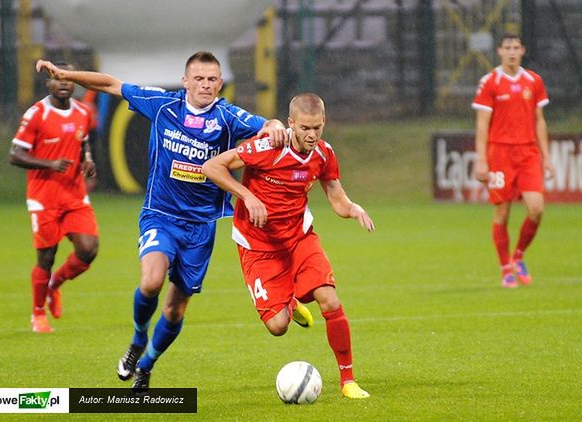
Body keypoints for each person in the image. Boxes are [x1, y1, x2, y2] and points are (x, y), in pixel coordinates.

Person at [36, 51, 288, 391]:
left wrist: (275, 127)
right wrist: (66, 74)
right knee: (151, 281)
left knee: (174, 311)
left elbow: (267, 124)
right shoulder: (163, 105)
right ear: (185, 81)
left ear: (220, 84)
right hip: (161, 215)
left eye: (212, 79)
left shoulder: (228, 117)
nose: (206, 85)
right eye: (199, 78)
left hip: (201, 227)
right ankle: (138, 338)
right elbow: (112, 83)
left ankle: (147, 364)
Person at [202, 93, 374, 399]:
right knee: (278, 326)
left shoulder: (323, 154)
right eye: (305, 128)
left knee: (330, 301)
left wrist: (354, 208)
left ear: (324, 123)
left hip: (299, 238)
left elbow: (336, 197)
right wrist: (248, 196)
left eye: (317, 128)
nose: (311, 135)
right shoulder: (268, 147)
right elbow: (213, 167)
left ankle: (348, 381)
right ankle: (290, 303)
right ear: (291, 123)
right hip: (257, 245)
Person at [10, 62, 99, 333]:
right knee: (46, 257)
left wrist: (87, 159)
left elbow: (82, 141)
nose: (63, 83)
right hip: (44, 196)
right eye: (56, 78)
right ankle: (38, 314)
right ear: (47, 83)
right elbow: (15, 154)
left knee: (88, 249)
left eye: (67, 79)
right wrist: (49, 164)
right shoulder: (36, 114)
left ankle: (54, 285)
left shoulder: (83, 111)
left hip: (74, 194)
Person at [472, 33, 554, 288]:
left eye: (516, 47)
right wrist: (481, 160)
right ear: (499, 51)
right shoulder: (490, 82)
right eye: (507, 47)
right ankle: (505, 267)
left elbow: (539, 120)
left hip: (528, 152)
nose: (511, 52)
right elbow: (482, 124)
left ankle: (518, 256)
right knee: (502, 210)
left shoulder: (534, 81)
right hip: (500, 153)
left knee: (537, 208)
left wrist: (547, 157)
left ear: (522, 50)